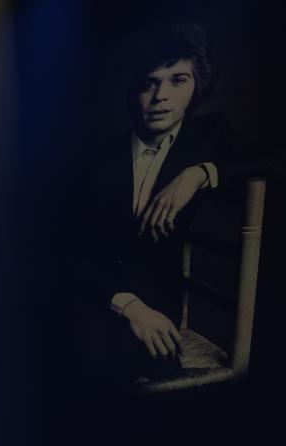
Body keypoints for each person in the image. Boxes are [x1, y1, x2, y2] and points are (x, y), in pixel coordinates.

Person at [81, 23, 254, 385]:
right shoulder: (96, 161)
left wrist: (200, 173)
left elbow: (271, 160)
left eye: (178, 80)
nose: (161, 96)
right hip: (99, 300)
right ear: (134, 91)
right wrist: (127, 305)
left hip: (161, 308)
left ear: (196, 88)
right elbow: (65, 253)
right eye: (150, 83)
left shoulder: (208, 135)